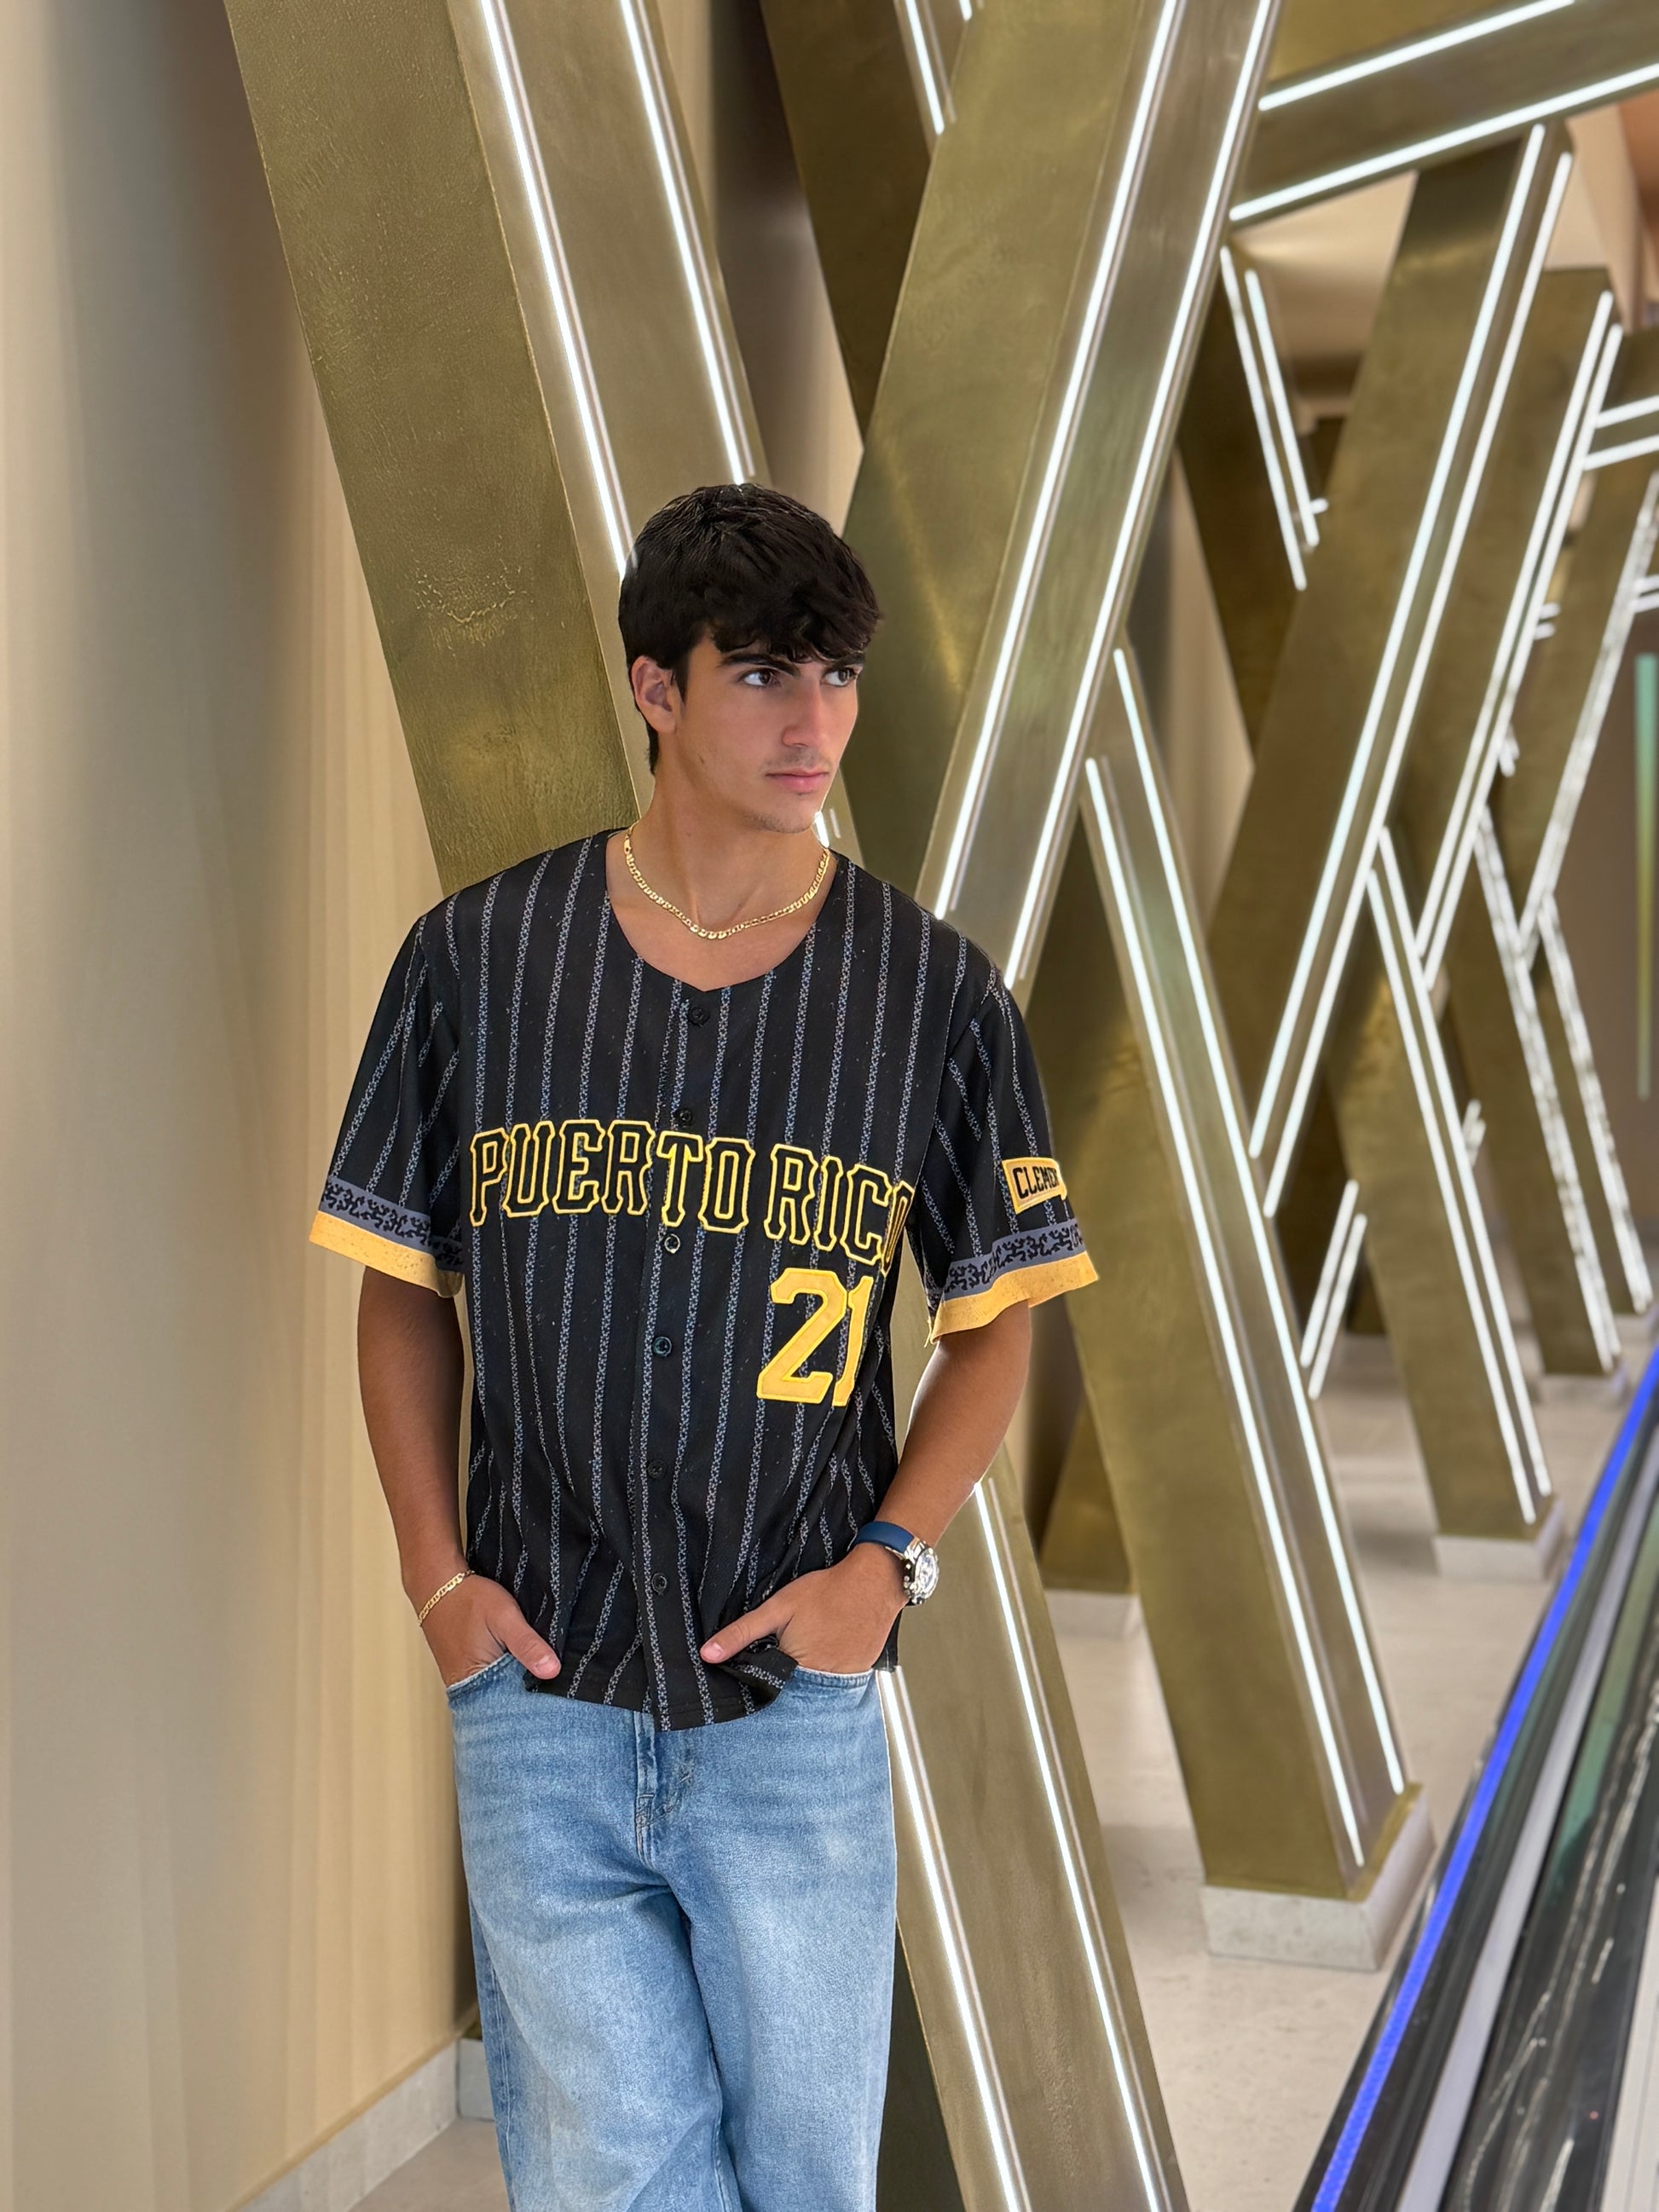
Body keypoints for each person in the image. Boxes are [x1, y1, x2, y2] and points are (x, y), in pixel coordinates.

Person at [310, 482, 1095, 2212]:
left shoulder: (933, 995)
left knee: (806, 2174)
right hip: (539, 1689)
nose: (813, 721)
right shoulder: (478, 961)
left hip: (789, 1701)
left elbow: (997, 1322)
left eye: (837, 675)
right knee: (606, 2174)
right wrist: (436, 1583)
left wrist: (886, 1565)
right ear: (655, 687)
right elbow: (399, 1281)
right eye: (761, 674)